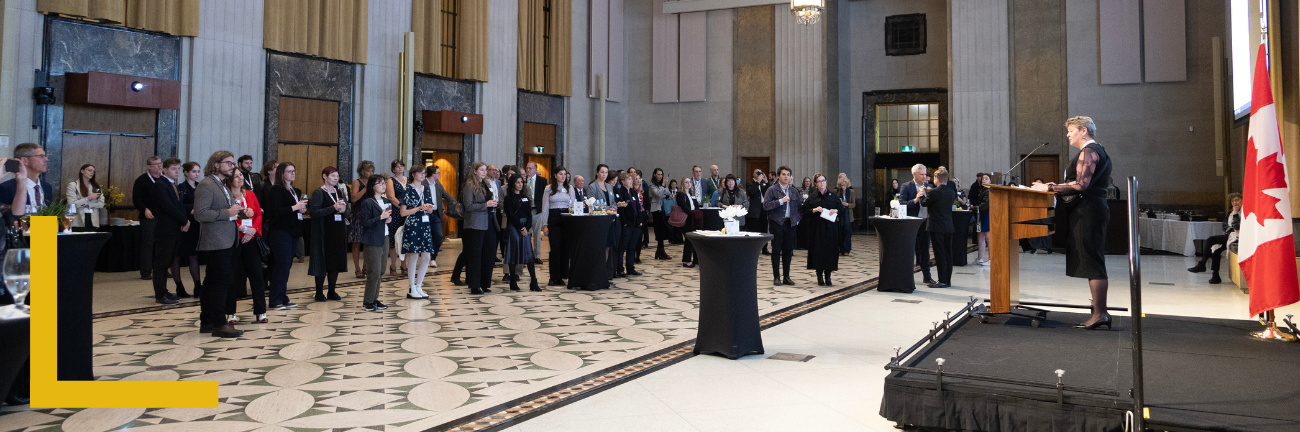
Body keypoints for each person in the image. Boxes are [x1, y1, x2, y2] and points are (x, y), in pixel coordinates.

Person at [1031, 116, 1113, 330]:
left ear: (1083, 130)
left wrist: (1048, 188)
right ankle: (1098, 311)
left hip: (1089, 211)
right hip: (1091, 209)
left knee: (1093, 261)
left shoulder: (1089, 151)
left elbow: (1081, 185)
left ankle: (1101, 313)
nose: (1068, 134)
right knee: (1092, 259)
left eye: (1071, 130)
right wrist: (1052, 185)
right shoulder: (1097, 150)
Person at [192, 151, 245, 338]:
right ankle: (219, 323)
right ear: (216, 164)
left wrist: (238, 211)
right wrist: (228, 212)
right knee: (223, 281)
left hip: (227, 240)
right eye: (228, 163)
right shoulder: (207, 185)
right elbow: (200, 214)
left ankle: (207, 321)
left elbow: (226, 211)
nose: (232, 166)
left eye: (232, 163)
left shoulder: (222, 184)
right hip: (216, 241)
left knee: (212, 282)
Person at [225, 173, 268, 324]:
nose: (240, 178)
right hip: (233, 239)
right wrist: (243, 229)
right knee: (232, 275)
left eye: (241, 176)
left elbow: (258, 215)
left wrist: (253, 230)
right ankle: (231, 313)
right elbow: (226, 218)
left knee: (256, 274)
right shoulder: (226, 196)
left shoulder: (250, 194)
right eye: (236, 176)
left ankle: (261, 311)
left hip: (251, 238)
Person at [265, 162, 307, 310]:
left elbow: (293, 210)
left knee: (287, 266)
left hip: (293, 230)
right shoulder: (276, 190)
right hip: (280, 231)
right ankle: (275, 299)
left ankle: (283, 297)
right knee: (281, 265)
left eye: (294, 171)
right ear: (281, 173)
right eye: (289, 171)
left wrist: (300, 210)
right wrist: (295, 207)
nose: (293, 173)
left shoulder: (295, 190)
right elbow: (275, 211)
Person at [149, 158, 188, 305]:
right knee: (161, 262)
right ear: (164, 170)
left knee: (169, 261)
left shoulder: (172, 185)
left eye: (178, 168)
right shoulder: (160, 185)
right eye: (173, 168)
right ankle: (160, 294)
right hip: (165, 229)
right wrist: (184, 220)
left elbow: (179, 205)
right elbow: (168, 207)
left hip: (174, 228)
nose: (177, 171)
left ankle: (164, 291)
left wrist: (185, 220)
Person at [309, 166, 350, 302]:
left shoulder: (340, 192)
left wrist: (344, 210)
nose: (336, 178)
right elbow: (314, 213)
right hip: (324, 232)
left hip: (338, 231)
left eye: (337, 176)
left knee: (335, 262)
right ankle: (319, 292)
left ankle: (332, 291)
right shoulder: (318, 192)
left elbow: (347, 213)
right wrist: (333, 208)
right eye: (333, 176)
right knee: (323, 261)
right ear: (325, 176)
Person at [356, 175, 393, 311]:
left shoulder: (385, 200)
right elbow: (365, 223)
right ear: (372, 186)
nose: (383, 185)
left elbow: (388, 217)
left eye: (384, 183)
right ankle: (368, 302)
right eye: (380, 183)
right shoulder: (368, 202)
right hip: (372, 239)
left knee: (382, 270)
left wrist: (387, 219)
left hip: (385, 237)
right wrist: (380, 217)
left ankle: (375, 299)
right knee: (374, 271)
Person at [1188, 193, 1242, 284]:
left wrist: (1236, 213)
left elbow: (1237, 228)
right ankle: (1215, 276)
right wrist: (1231, 229)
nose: (1235, 202)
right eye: (1233, 201)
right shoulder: (1231, 212)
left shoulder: (1243, 212)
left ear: (1242, 200)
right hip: (1230, 235)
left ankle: (1202, 264)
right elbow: (1224, 225)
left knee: (1211, 239)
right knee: (1216, 251)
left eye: (1237, 200)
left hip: (1240, 237)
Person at [462, 161, 498, 295]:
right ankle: (475, 285)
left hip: (489, 222)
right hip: (475, 224)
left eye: (485, 170)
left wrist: (493, 204)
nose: (484, 172)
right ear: (475, 171)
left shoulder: (486, 184)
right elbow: (468, 206)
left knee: (489, 254)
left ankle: (485, 283)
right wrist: (486, 204)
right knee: (475, 256)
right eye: (482, 170)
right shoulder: (469, 185)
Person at [401, 165, 436, 298]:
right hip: (413, 224)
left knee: (426, 256)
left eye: (424, 173)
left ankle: (419, 285)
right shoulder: (407, 190)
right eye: (420, 173)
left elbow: (431, 210)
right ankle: (411, 287)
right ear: (413, 174)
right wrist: (418, 208)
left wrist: (428, 207)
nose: (423, 175)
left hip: (425, 224)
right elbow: (403, 212)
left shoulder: (425, 189)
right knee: (414, 255)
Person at [764, 167, 803, 285]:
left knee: (788, 250)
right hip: (777, 223)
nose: (786, 177)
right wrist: (780, 201)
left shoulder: (794, 191)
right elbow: (766, 206)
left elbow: (799, 207)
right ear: (779, 176)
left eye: (788, 175)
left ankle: (787, 276)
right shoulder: (772, 190)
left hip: (790, 223)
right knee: (776, 250)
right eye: (784, 174)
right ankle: (776, 277)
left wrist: (797, 219)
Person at [802, 173, 842, 286]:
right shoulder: (812, 197)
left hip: (830, 229)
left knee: (829, 251)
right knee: (818, 252)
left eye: (823, 180)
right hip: (817, 229)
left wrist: (836, 211)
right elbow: (804, 211)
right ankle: (819, 275)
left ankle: (828, 276)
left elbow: (841, 210)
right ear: (815, 184)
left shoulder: (833, 196)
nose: (822, 183)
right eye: (819, 181)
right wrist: (814, 210)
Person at [504, 173, 542, 291]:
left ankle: (534, 281)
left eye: (521, 182)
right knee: (514, 253)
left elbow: (529, 214)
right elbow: (510, 215)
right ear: (513, 184)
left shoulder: (525, 197)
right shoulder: (508, 198)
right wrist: (521, 228)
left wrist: (527, 227)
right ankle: (513, 281)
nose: (520, 184)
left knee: (529, 254)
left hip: (525, 227)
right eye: (517, 182)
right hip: (514, 227)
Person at [919, 168, 957, 288]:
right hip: (949, 226)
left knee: (939, 253)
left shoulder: (934, 192)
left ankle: (942, 280)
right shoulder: (952, 192)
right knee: (948, 253)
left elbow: (924, 203)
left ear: (936, 179)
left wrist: (921, 195)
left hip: (937, 226)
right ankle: (948, 280)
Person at [900, 164, 936, 285]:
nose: (924, 177)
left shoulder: (930, 187)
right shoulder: (906, 187)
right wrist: (916, 199)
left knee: (925, 250)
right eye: (921, 174)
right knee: (911, 249)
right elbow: (902, 204)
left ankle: (927, 276)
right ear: (914, 174)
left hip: (925, 222)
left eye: (925, 174)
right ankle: (907, 276)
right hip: (912, 222)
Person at [539, 167, 573, 286]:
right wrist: (545, 225)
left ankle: (563, 275)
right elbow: (545, 207)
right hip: (553, 218)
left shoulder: (570, 188)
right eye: (560, 174)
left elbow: (573, 204)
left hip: (566, 219)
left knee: (565, 248)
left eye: (564, 174)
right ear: (555, 175)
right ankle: (553, 277)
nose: (563, 176)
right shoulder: (549, 188)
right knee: (555, 248)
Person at [173, 162, 203, 297]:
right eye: (194, 172)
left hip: (196, 225)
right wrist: (191, 209)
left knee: (194, 255)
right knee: (177, 256)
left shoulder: (200, 187)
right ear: (186, 173)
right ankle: (179, 286)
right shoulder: (181, 187)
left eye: (198, 171)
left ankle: (198, 285)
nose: (196, 174)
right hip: (184, 224)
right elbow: (178, 205)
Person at [134, 156, 164, 280]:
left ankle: (162, 269)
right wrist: (144, 209)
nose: (159, 166)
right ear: (149, 166)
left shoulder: (164, 180)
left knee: (162, 244)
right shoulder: (141, 180)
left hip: (163, 217)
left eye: (160, 163)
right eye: (156, 164)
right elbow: (136, 199)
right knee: (148, 243)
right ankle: (146, 272)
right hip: (148, 217)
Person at [587, 164, 619, 276]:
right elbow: (591, 205)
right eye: (602, 172)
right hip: (598, 221)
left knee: (607, 247)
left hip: (609, 220)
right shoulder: (592, 187)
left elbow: (614, 203)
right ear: (597, 173)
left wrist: (614, 208)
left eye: (606, 172)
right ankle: (596, 270)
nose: (604, 174)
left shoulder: (609, 187)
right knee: (599, 247)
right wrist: (607, 209)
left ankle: (603, 271)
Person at [615, 172, 645, 277]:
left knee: (632, 247)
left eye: (631, 179)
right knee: (622, 247)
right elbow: (621, 210)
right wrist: (624, 223)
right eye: (629, 179)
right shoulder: (620, 192)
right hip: (626, 224)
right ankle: (620, 269)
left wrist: (640, 220)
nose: (631, 181)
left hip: (635, 223)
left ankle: (630, 268)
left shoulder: (633, 192)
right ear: (623, 182)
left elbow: (638, 207)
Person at [425, 164, 457, 260]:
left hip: (436, 214)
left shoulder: (437, 184)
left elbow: (446, 194)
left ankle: (433, 258)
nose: (439, 174)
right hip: (425, 214)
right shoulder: (423, 184)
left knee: (439, 236)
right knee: (426, 236)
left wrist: (455, 203)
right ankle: (426, 256)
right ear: (432, 174)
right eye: (438, 173)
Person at [350, 161, 375, 278]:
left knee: (367, 242)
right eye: (368, 171)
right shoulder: (357, 182)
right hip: (359, 214)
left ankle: (366, 266)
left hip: (369, 215)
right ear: (362, 171)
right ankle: (357, 268)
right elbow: (354, 198)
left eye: (372, 171)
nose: (370, 173)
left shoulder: (373, 183)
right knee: (357, 242)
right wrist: (365, 188)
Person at [385, 160, 408, 275]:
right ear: (393, 169)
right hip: (396, 211)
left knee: (405, 238)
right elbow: (391, 197)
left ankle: (403, 264)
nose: (399, 168)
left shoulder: (408, 180)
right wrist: (402, 206)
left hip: (407, 212)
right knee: (395, 238)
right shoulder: (391, 180)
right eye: (397, 167)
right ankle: (393, 264)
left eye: (401, 166)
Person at [66, 164, 104, 229]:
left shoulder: (96, 186)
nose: (92, 172)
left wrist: (88, 204)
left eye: (93, 171)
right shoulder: (73, 185)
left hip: (93, 220)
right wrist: (88, 198)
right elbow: (72, 204)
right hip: (78, 220)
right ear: (82, 171)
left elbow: (101, 204)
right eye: (89, 170)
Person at [526, 161, 548, 265]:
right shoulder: (523, 180)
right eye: (527, 168)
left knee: (537, 234)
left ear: (535, 169)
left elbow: (545, 195)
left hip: (537, 210)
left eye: (530, 168)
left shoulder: (542, 181)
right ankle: (527, 255)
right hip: (526, 211)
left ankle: (537, 256)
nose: (528, 170)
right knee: (526, 234)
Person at [676, 177, 700, 268]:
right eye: (686, 182)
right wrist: (693, 213)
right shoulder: (681, 194)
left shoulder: (691, 194)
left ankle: (696, 259)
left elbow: (696, 205)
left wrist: (697, 213)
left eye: (690, 182)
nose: (688, 184)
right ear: (682, 184)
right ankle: (686, 260)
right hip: (686, 219)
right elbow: (683, 206)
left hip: (693, 219)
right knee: (688, 240)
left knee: (695, 239)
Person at [649, 168, 673, 260]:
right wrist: (663, 188)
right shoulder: (652, 185)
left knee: (663, 231)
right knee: (659, 231)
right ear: (655, 175)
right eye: (658, 174)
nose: (660, 176)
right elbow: (658, 195)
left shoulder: (663, 185)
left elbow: (669, 194)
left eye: (661, 174)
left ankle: (660, 251)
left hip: (663, 209)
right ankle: (660, 251)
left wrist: (663, 190)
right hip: (656, 210)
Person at [746, 169, 771, 255]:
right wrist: (757, 182)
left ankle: (765, 249)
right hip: (755, 209)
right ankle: (753, 249)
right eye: (757, 173)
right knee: (755, 229)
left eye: (760, 172)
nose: (759, 174)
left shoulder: (763, 183)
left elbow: (769, 192)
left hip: (764, 208)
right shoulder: (750, 183)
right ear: (753, 174)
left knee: (764, 229)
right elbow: (751, 192)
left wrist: (766, 182)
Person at [970, 174, 992, 266]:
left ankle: (991, 259)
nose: (984, 180)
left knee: (988, 237)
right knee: (980, 236)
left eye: (986, 178)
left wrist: (974, 208)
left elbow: (984, 205)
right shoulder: (982, 189)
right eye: (983, 178)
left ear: (990, 181)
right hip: (981, 215)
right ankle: (980, 258)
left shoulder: (989, 190)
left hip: (987, 214)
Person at [835, 174, 855, 255]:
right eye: (841, 185)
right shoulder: (836, 192)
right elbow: (835, 202)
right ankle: (840, 249)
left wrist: (847, 204)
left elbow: (853, 204)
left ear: (847, 185)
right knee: (840, 231)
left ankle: (846, 249)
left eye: (844, 185)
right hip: (840, 214)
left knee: (847, 231)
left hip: (848, 214)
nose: (843, 187)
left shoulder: (851, 192)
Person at [795, 176, 813, 250]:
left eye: (809, 181)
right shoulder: (800, 190)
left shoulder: (812, 191)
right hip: (803, 210)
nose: (807, 183)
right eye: (806, 181)